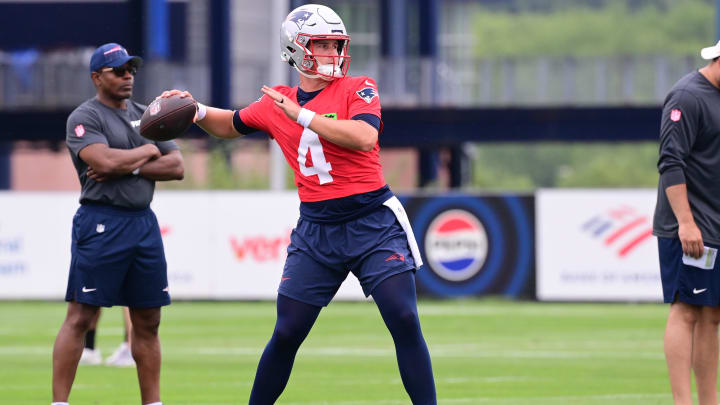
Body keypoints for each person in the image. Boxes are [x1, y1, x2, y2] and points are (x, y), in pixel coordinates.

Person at [160, 4, 436, 404]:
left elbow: (363, 137)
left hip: (372, 220)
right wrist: (195, 109)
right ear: (296, 49)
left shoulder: (357, 86)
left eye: (334, 44)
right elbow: (232, 123)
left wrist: (304, 116)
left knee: (405, 318)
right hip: (317, 229)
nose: (331, 52)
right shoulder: (278, 103)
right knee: (287, 330)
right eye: (321, 44)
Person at [51, 42, 184, 405]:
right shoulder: (85, 117)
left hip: (143, 224)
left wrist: (132, 163)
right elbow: (103, 163)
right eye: (119, 70)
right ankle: (59, 403)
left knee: (148, 321)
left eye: (131, 70)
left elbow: (176, 167)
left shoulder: (148, 115)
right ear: (97, 77)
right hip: (101, 222)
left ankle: (152, 403)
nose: (128, 76)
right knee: (80, 315)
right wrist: (147, 151)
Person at [654, 39, 720, 405]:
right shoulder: (687, 97)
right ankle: (683, 401)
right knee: (687, 310)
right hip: (690, 227)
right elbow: (670, 163)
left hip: (716, 225)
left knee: (712, 315)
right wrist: (686, 224)